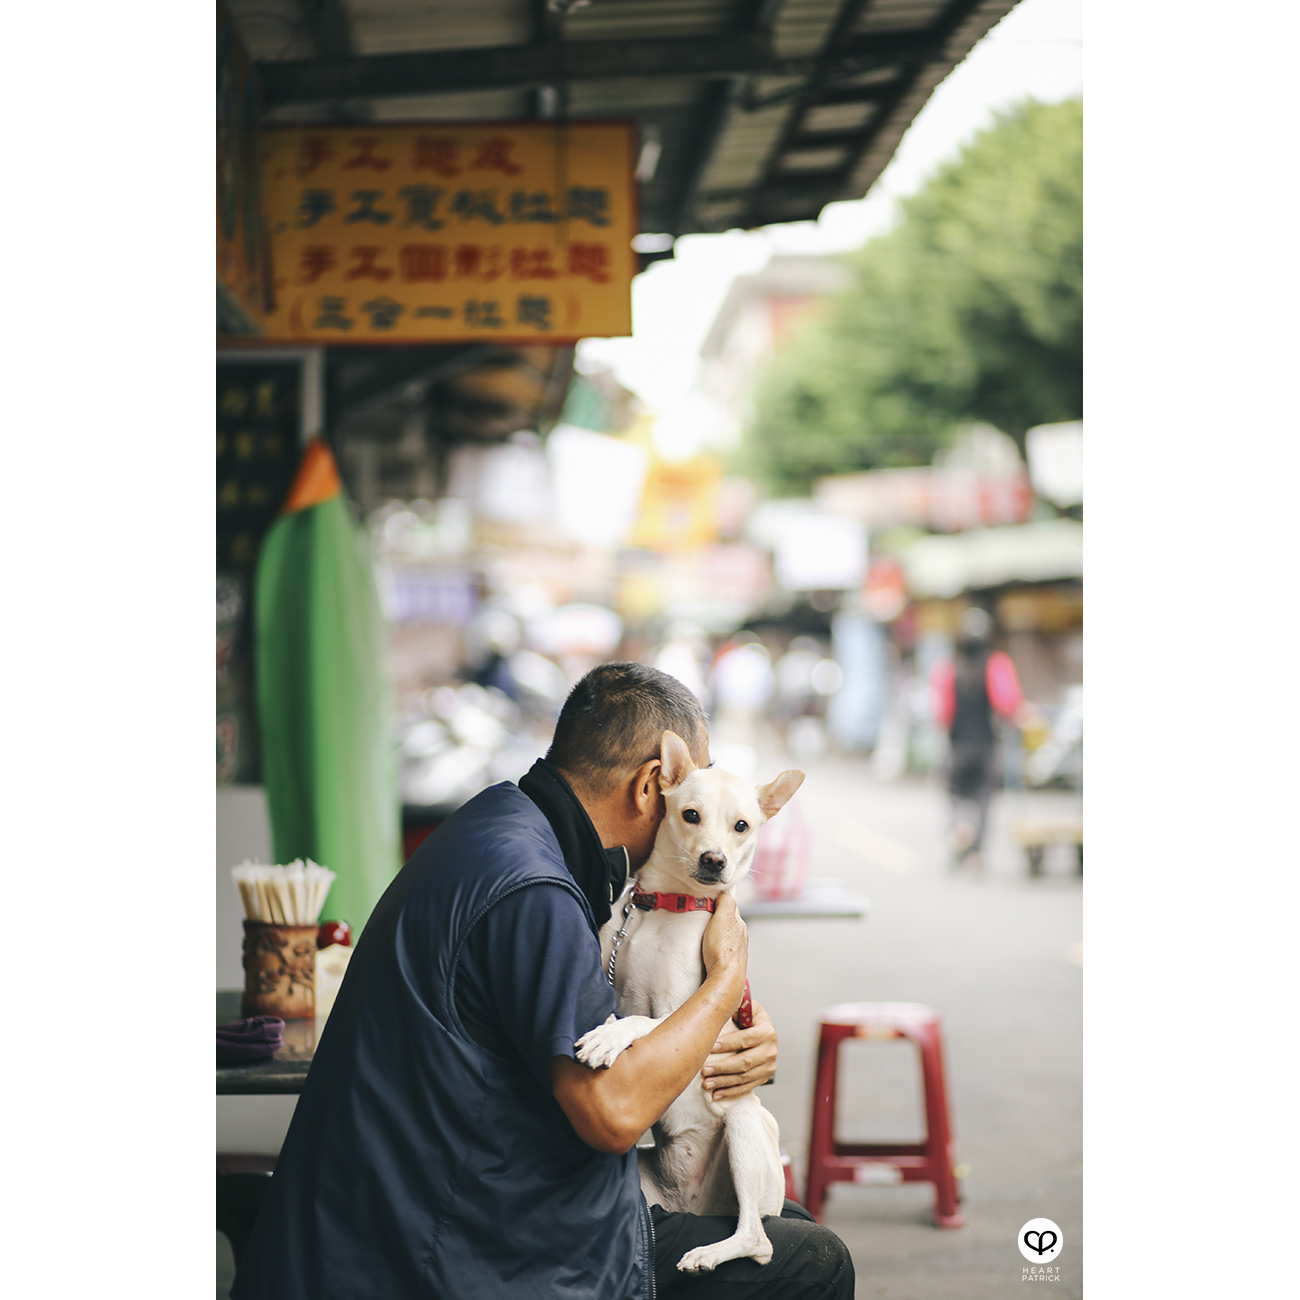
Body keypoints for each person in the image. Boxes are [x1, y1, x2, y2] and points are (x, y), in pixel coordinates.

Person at [232, 661, 854, 1300]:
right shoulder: (534, 890)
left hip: (413, 1200)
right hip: (456, 1244)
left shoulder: (502, 828)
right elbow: (613, 1114)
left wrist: (734, 1039)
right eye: (688, 803)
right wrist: (725, 980)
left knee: (783, 1223)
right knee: (814, 1262)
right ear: (652, 787)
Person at [930, 609, 1025, 869]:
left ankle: (960, 827)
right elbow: (1008, 705)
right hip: (986, 745)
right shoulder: (996, 665)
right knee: (983, 799)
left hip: (957, 746)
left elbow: (941, 713)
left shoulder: (949, 669)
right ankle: (976, 854)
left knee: (955, 795)